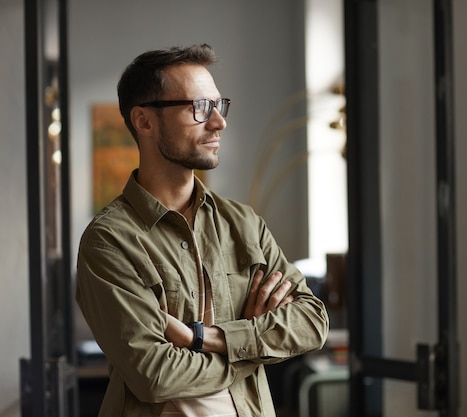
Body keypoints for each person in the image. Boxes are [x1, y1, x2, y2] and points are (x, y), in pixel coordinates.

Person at [76, 44, 329, 417]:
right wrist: (253, 344)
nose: (218, 122)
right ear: (144, 121)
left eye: (218, 105)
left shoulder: (243, 223)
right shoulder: (109, 240)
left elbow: (311, 321)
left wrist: (208, 338)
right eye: (199, 107)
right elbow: (155, 375)